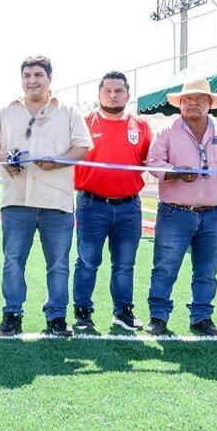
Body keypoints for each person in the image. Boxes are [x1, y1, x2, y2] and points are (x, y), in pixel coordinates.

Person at [0, 55, 92, 337]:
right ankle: (12, 315)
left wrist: (59, 161)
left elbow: (82, 147)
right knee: (13, 261)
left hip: (56, 201)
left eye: (38, 75)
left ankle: (56, 317)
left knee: (58, 263)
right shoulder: (5, 111)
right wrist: (4, 159)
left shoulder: (69, 111)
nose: (32, 80)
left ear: (49, 78)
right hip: (16, 200)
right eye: (27, 75)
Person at [144, 79, 217, 337]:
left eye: (200, 99)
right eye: (188, 99)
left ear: (210, 104)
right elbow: (153, 163)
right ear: (180, 104)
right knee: (165, 267)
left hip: (214, 215)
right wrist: (175, 173)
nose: (193, 104)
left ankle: (202, 317)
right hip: (174, 212)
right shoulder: (166, 131)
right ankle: (158, 316)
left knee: (208, 270)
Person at [72, 71, 152, 333]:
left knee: (125, 262)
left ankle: (122, 311)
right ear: (99, 94)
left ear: (128, 95)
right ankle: (83, 311)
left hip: (129, 206)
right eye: (107, 90)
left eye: (119, 90)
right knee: (88, 260)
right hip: (92, 204)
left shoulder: (140, 126)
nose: (113, 94)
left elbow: (145, 159)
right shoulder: (83, 123)